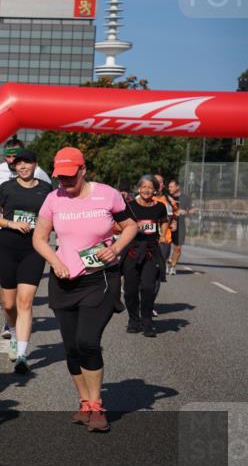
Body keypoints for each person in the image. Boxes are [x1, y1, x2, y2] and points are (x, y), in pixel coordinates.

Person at [33, 147, 137, 433]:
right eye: (59, 177)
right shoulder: (53, 199)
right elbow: (40, 238)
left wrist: (115, 248)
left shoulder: (107, 194)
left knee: (88, 341)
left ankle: (96, 404)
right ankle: (84, 402)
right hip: (64, 279)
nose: (64, 183)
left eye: (69, 177)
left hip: (100, 277)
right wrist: (54, 262)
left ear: (83, 171)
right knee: (71, 347)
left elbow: (131, 226)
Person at [0, 149, 53, 374]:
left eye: (28, 163)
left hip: (33, 250)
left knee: (26, 302)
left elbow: (55, 216)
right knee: (9, 304)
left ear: (35, 165)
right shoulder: (6, 188)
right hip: (7, 248)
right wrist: (10, 224)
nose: (23, 167)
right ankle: (13, 332)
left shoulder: (46, 190)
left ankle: (22, 354)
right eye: (19, 164)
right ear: (14, 166)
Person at [123, 175, 170, 337]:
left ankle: (147, 322)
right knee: (130, 290)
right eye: (144, 187)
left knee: (148, 288)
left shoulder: (160, 207)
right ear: (138, 188)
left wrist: (163, 234)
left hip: (151, 251)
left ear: (155, 190)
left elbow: (164, 221)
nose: (146, 190)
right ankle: (133, 321)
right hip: (133, 250)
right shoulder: (129, 206)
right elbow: (118, 224)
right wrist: (133, 227)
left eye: (150, 187)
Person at [167, 179, 194, 275]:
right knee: (165, 246)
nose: (169, 188)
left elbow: (194, 210)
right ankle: (166, 262)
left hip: (180, 225)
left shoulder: (185, 198)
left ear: (177, 187)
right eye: (169, 187)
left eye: (171, 186)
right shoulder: (166, 197)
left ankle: (173, 266)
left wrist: (185, 212)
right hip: (167, 224)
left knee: (177, 248)